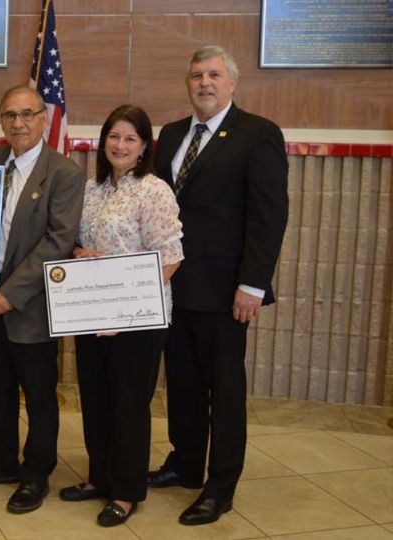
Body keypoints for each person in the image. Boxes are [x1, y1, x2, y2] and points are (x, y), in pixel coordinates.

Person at [148, 45, 289, 526]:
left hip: (228, 292)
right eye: (195, 75)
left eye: (213, 75)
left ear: (231, 82)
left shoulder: (258, 134)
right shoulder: (168, 136)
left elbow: (268, 215)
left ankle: (220, 485)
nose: (203, 83)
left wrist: (252, 284)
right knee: (182, 384)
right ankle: (186, 464)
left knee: (224, 391)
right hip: (172, 287)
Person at [0, 85, 84, 514]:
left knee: (40, 395)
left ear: (44, 119)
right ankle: (0, 461)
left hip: (30, 305)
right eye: (10, 115)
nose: (19, 123)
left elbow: (58, 241)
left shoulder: (64, 172)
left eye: (28, 114)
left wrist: (12, 293)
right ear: (1, 120)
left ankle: (35, 473)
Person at [56, 105, 183, 526]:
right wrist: (78, 252)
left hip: (137, 322)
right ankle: (98, 478)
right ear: (103, 141)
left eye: (130, 138)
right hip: (92, 315)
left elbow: (171, 259)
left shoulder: (154, 190)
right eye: (114, 136)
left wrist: (130, 305)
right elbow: (75, 243)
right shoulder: (91, 189)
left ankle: (126, 492)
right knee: (94, 400)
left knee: (129, 405)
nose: (120, 145)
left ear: (144, 146)